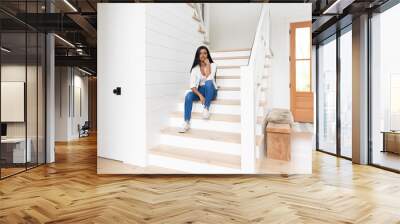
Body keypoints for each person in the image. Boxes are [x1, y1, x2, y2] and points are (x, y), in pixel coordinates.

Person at [179, 46, 217, 133]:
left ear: (207, 55)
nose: (203, 55)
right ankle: (186, 122)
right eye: (200, 53)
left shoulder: (213, 65)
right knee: (188, 95)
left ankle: (206, 108)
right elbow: (192, 86)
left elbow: (209, 78)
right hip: (201, 91)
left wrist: (207, 65)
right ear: (198, 55)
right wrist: (200, 96)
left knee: (208, 83)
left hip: (211, 90)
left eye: (205, 53)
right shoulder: (195, 69)